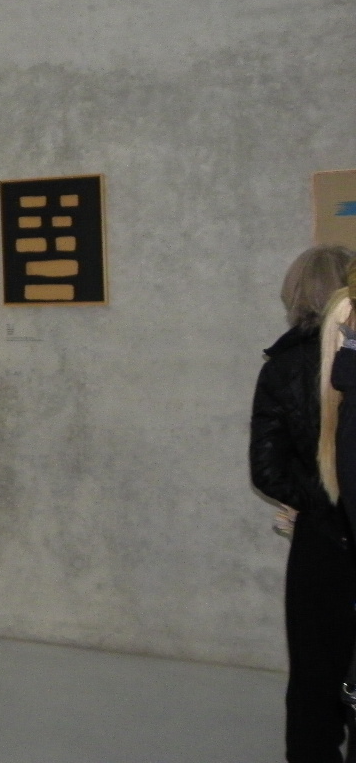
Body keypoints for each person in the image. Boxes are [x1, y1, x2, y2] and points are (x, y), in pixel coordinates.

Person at [250, 244, 356, 763]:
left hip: (321, 544)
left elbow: (267, 470)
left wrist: (317, 506)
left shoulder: (283, 366)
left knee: (315, 674)